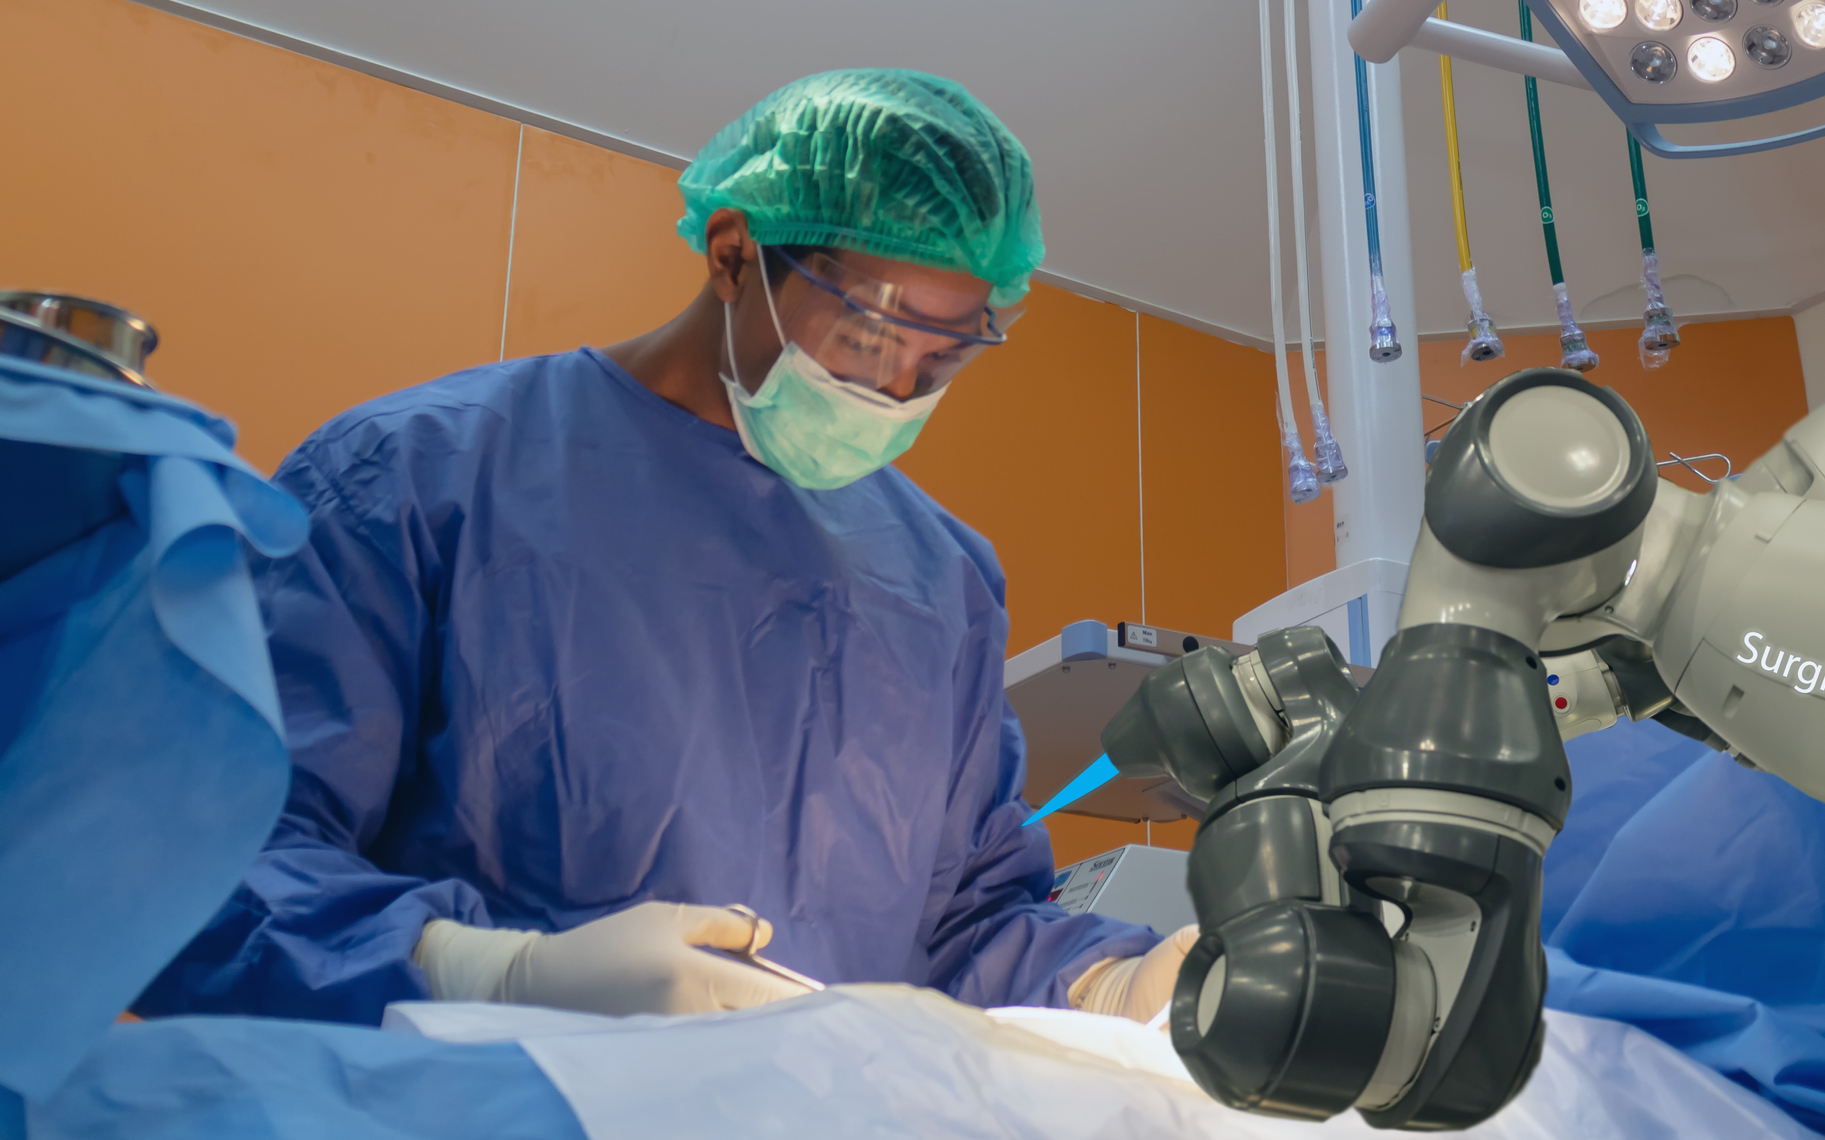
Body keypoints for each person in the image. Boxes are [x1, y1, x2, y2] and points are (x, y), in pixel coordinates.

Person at [137, 70, 1191, 1025]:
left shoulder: (940, 579)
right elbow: (210, 862)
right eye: (868, 333)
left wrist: (1124, 985)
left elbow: (968, 927)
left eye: (943, 358)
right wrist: (492, 973)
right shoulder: (417, 473)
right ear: (733, 255)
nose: (897, 390)